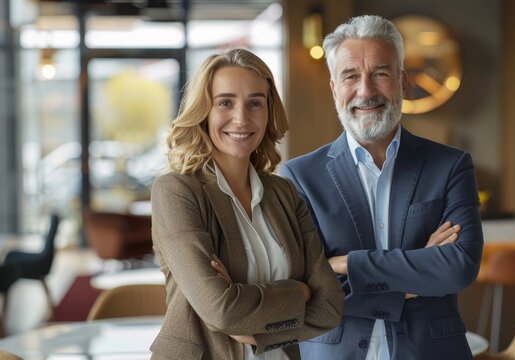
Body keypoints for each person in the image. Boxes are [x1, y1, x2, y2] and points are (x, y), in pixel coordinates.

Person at [279, 15, 484, 359]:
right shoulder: (300, 176)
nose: (366, 90)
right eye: (351, 76)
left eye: (380, 73)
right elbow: (309, 287)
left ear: (403, 82)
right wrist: (414, 275)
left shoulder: (450, 166)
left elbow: (459, 266)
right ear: (334, 89)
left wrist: (347, 265)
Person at [150, 48, 344, 360]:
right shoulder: (176, 191)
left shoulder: (284, 193)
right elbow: (221, 310)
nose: (241, 118)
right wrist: (300, 292)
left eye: (255, 103)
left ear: (269, 113)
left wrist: (255, 330)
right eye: (225, 102)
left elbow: (330, 306)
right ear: (204, 111)